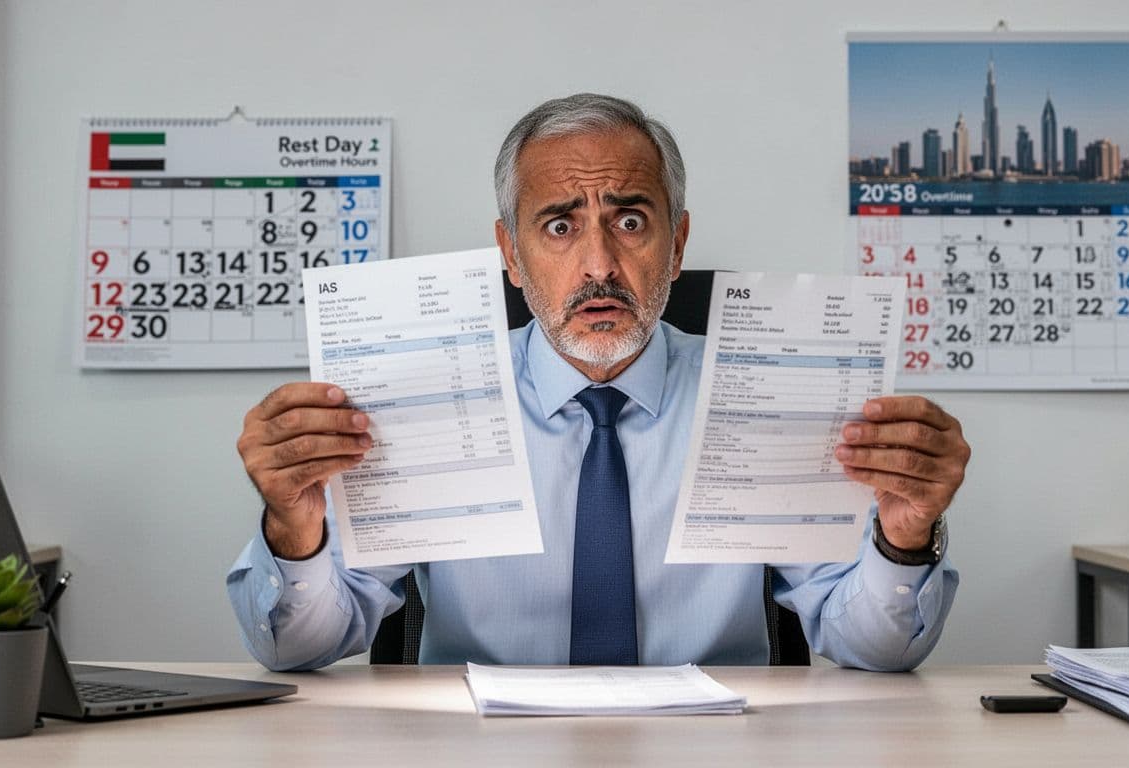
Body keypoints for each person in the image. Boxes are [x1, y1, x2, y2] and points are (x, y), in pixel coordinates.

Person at [228, 93, 969, 672]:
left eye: (632, 222)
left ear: (676, 245)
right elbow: (300, 649)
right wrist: (294, 532)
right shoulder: (423, 397)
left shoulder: (762, 393)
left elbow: (874, 647)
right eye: (558, 226)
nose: (599, 266)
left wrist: (903, 540)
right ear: (510, 255)